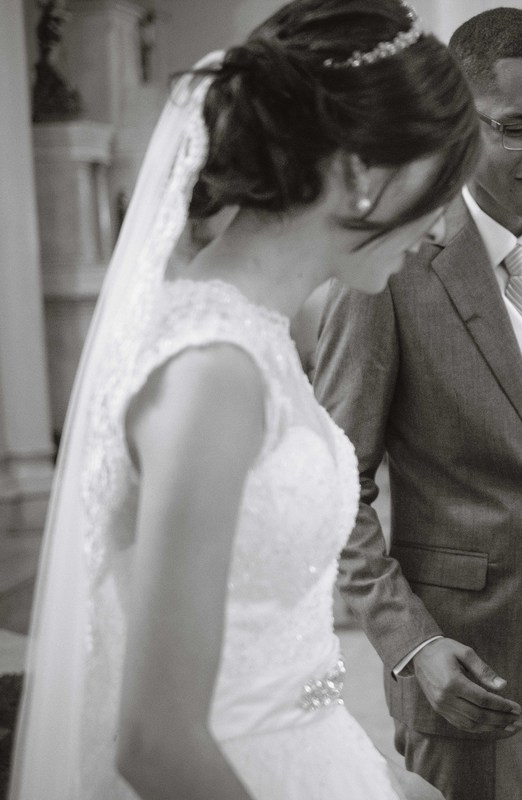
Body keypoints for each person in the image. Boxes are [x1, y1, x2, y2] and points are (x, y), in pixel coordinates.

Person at [9, 1, 478, 798]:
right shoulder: (211, 371)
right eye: (437, 187)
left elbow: (270, 648)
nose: (438, 228)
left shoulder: (256, 338)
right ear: (361, 172)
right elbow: (156, 744)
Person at [311, 8, 522, 800]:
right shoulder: (386, 271)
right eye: (520, 128)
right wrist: (412, 644)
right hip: (464, 660)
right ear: (457, 125)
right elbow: (332, 486)